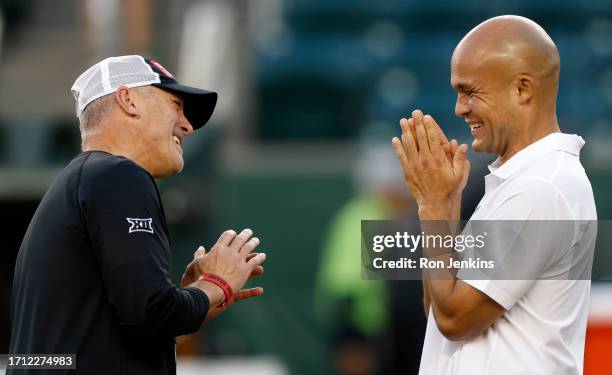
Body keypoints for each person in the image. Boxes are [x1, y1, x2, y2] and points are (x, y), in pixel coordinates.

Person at [8, 55, 267, 374]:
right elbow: (150, 312)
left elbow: (98, 341)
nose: (187, 126)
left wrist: (190, 306)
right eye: (176, 105)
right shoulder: (118, 175)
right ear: (128, 100)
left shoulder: (77, 182)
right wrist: (216, 284)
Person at [391, 16, 596, 374]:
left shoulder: (539, 187)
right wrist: (445, 206)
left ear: (522, 89)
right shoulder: (524, 181)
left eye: (470, 91)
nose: (459, 108)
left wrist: (435, 207)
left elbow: (456, 319)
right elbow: (439, 311)